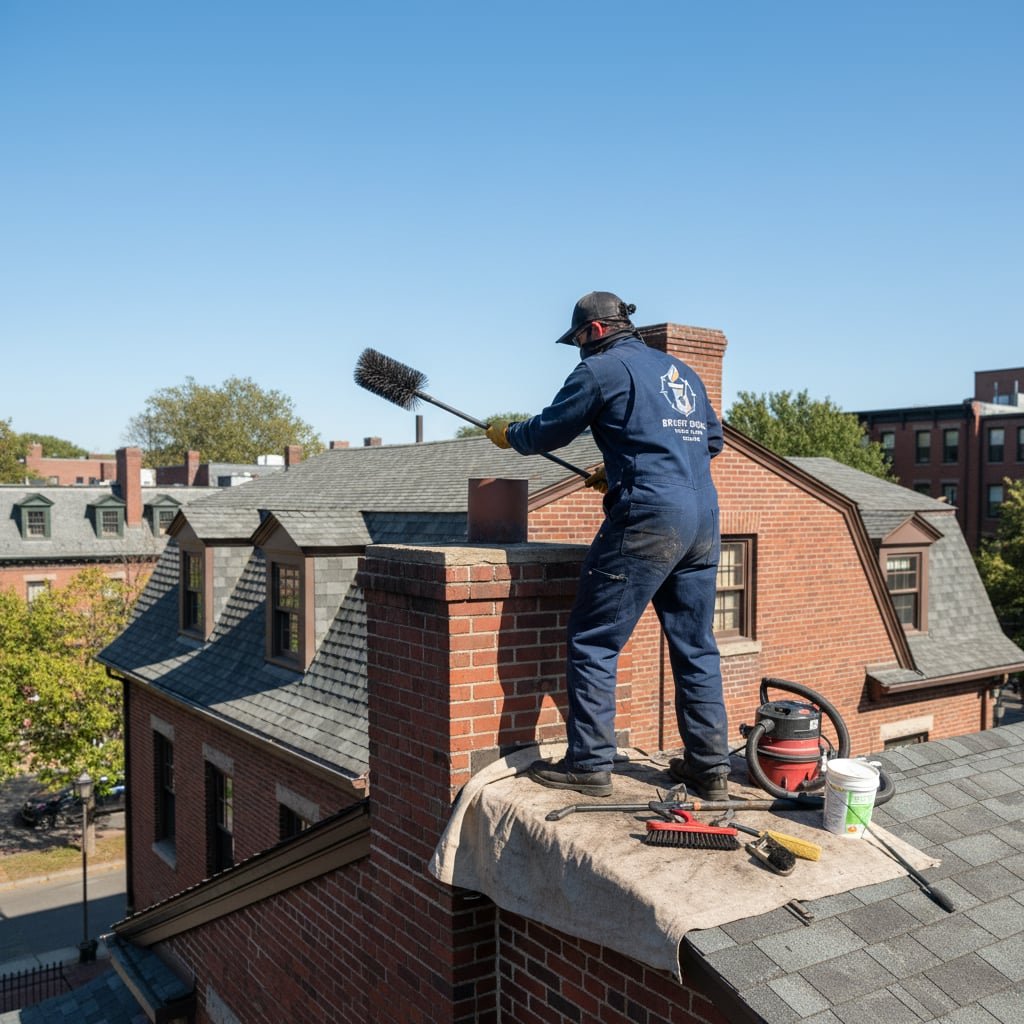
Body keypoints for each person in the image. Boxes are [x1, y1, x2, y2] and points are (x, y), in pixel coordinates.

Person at [485, 291, 731, 799]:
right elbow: (710, 442)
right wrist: (617, 465)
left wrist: (511, 434)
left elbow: (549, 431)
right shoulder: (681, 371)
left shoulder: (601, 369)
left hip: (649, 517)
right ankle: (710, 771)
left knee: (594, 639)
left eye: (577, 339)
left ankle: (590, 764)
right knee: (696, 646)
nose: (577, 349)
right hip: (703, 517)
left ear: (595, 331)